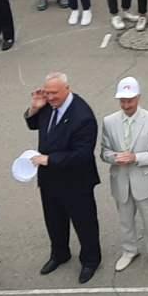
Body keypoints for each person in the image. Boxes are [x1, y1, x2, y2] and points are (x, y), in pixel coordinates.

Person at [25, 72, 102, 283]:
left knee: (84, 223)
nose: (50, 97)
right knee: (54, 220)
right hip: (50, 179)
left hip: (76, 181)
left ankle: (90, 260)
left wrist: (49, 159)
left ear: (67, 89)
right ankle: (59, 254)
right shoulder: (48, 105)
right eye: (47, 92)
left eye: (54, 93)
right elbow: (34, 124)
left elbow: (82, 154)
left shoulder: (83, 116)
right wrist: (34, 108)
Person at [100, 76, 148, 273]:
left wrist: (135, 157)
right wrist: (115, 158)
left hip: (145, 180)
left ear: (138, 97)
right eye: (122, 100)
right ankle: (129, 250)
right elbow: (104, 151)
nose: (126, 105)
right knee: (125, 220)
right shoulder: (109, 121)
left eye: (129, 100)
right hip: (120, 180)